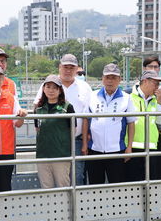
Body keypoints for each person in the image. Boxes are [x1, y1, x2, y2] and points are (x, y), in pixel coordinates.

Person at [35, 54, 92, 185]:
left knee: (77, 176)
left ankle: (76, 205)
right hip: (52, 142)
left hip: (76, 140)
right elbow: (37, 109)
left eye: (71, 68)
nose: (68, 70)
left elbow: (85, 117)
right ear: (59, 67)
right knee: (52, 180)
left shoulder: (84, 87)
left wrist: (84, 144)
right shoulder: (48, 84)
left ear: (77, 69)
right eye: (65, 67)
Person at [82, 63, 136, 184]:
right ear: (102, 79)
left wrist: (129, 147)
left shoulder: (127, 98)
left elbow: (131, 123)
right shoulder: (92, 95)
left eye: (114, 78)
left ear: (119, 80)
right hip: (94, 149)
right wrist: (85, 144)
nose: (110, 81)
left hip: (117, 150)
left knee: (117, 185)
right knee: (95, 185)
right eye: (107, 77)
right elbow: (85, 119)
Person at [34, 75, 75, 188]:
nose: (51, 90)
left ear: (60, 90)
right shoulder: (38, 108)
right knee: (46, 188)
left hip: (61, 155)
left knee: (63, 187)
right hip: (43, 155)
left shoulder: (67, 107)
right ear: (43, 89)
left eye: (54, 87)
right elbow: (37, 129)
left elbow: (73, 130)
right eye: (48, 87)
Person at [125, 70, 161, 181]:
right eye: (155, 83)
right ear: (145, 81)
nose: (158, 87)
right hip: (133, 147)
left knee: (150, 183)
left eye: (159, 84)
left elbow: (160, 121)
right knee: (133, 183)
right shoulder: (129, 96)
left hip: (151, 147)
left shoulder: (156, 99)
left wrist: (160, 102)